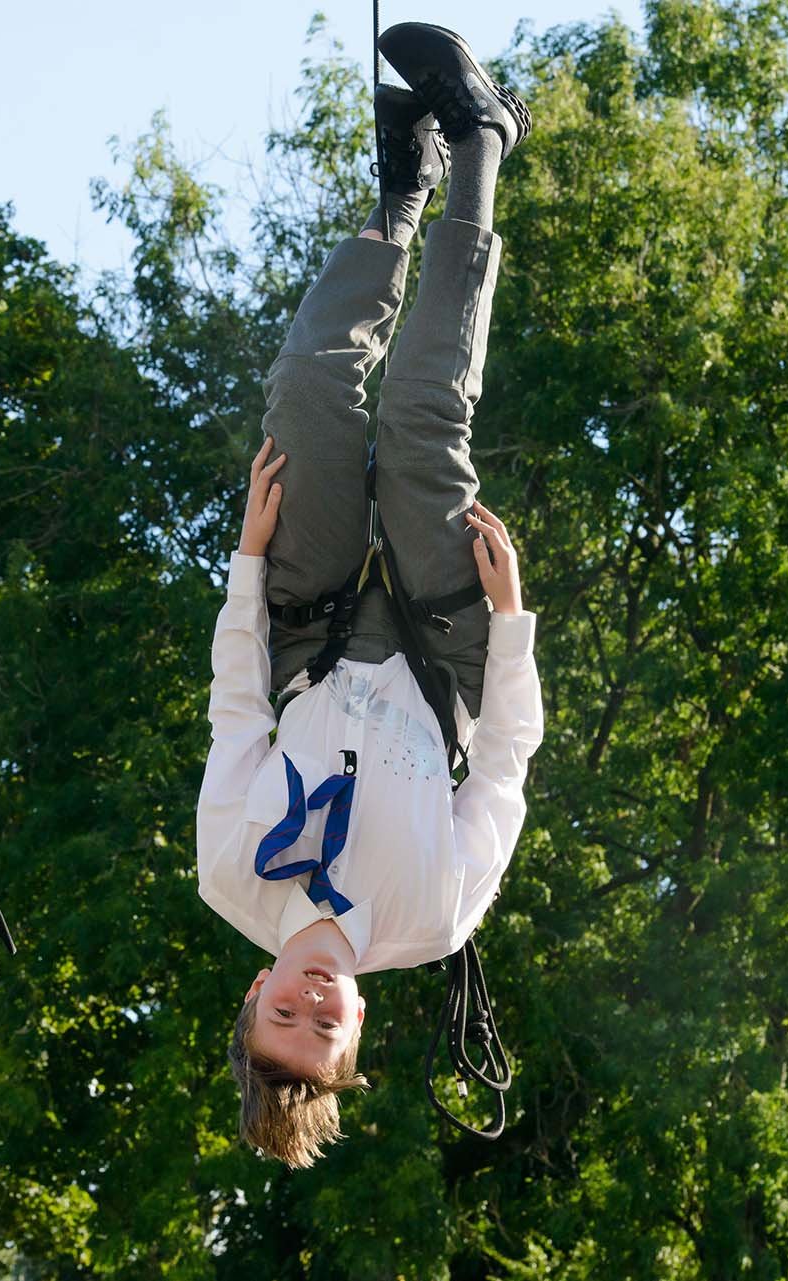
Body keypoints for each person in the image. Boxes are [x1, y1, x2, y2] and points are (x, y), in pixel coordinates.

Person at [196, 24, 545, 1169]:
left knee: (306, 393)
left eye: (279, 1019)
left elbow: (239, 712)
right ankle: (485, 143)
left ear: (254, 995)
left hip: (304, 625)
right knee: (421, 419)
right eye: (324, 1030)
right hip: (449, 648)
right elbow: (501, 764)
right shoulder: (434, 919)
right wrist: (510, 627)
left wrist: (249, 563)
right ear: (360, 1035)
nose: (309, 1003)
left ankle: (402, 196)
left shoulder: (231, 878)